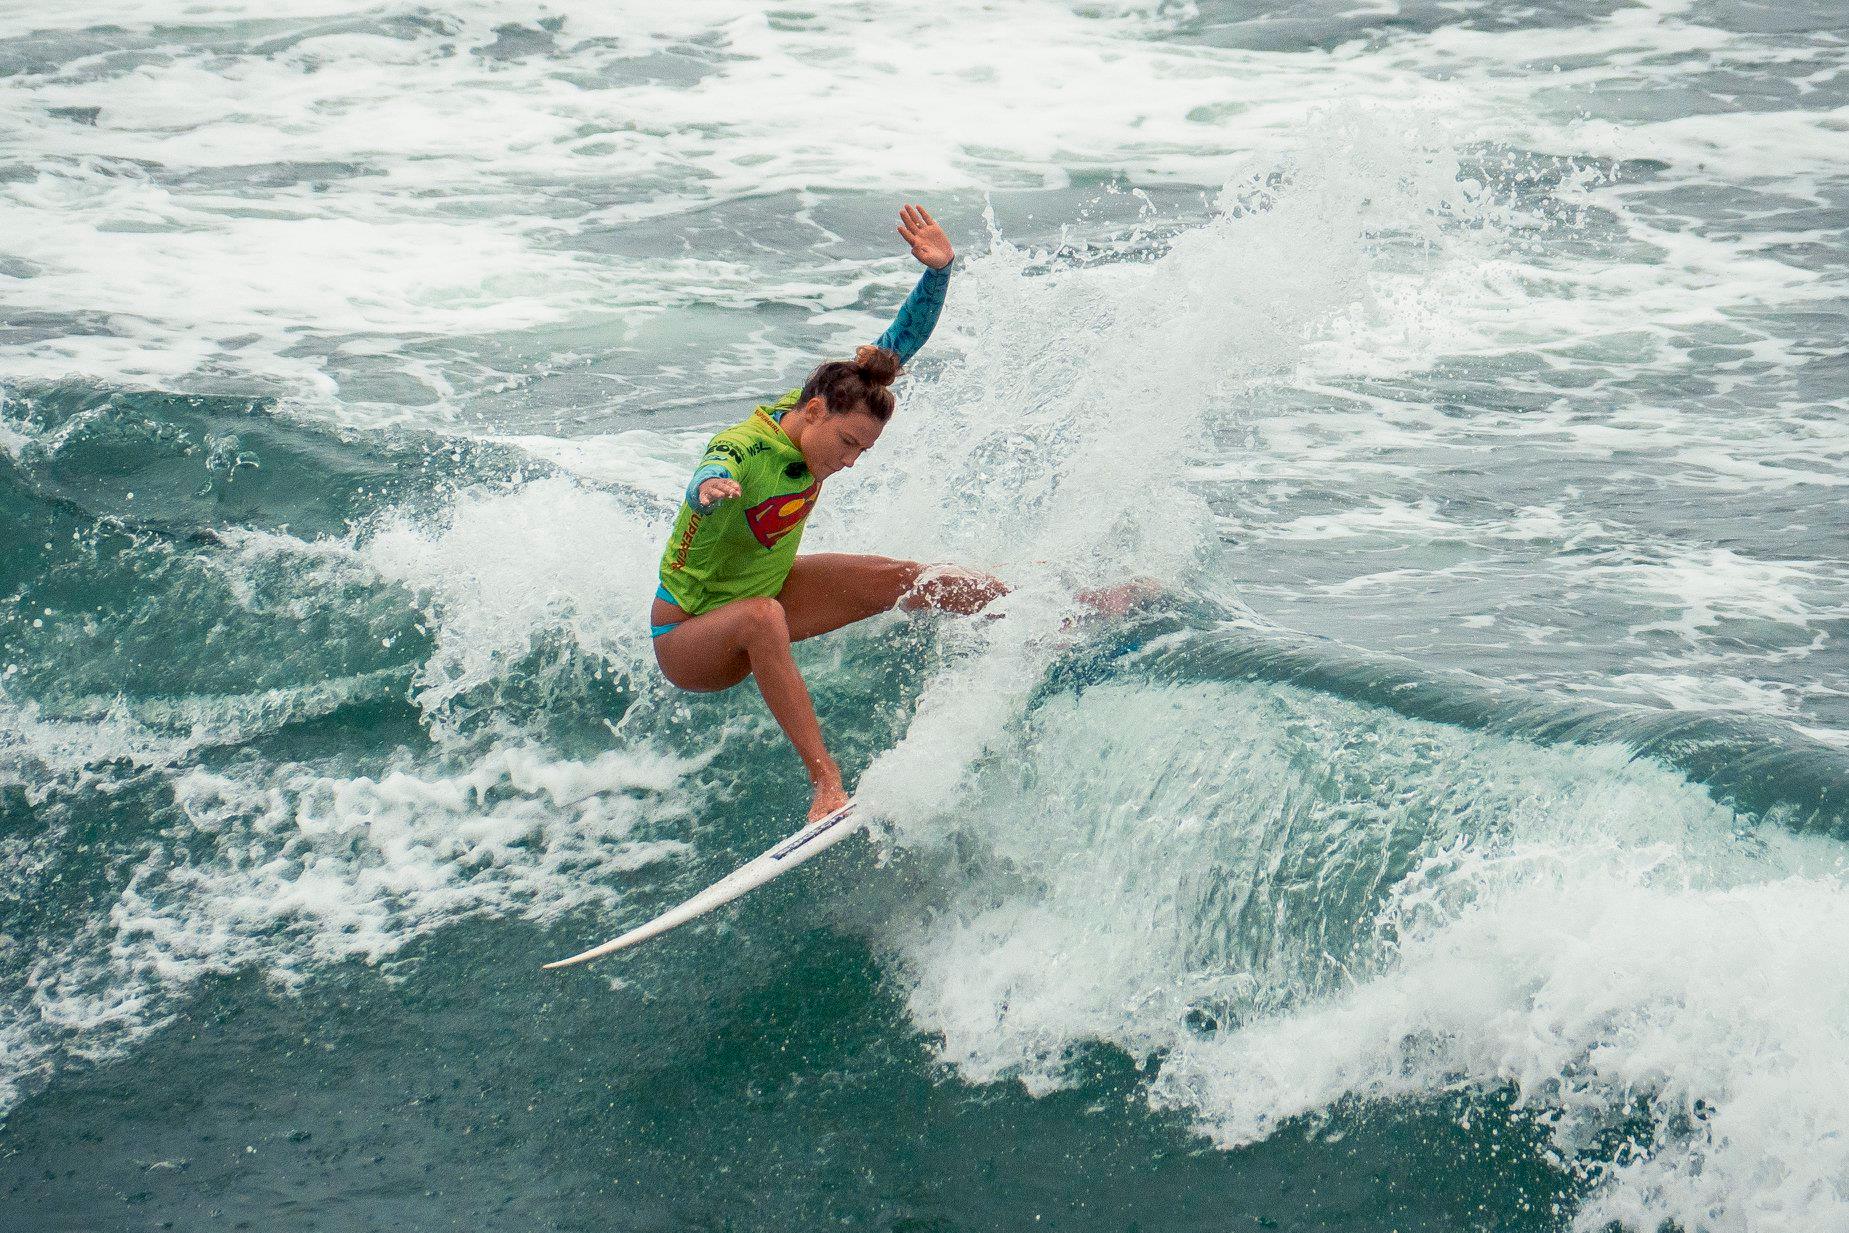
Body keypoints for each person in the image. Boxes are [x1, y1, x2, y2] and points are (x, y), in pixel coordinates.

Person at [650, 204, 1004, 821]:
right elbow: (716, 462)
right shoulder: (746, 447)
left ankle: (1054, 610)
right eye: (847, 445)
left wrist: (939, 274)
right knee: (761, 616)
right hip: (688, 637)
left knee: (901, 576)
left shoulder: (831, 402)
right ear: (814, 413)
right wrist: (708, 488)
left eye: (862, 450)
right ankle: (826, 786)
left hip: (767, 588)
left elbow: (894, 350)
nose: (850, 461)